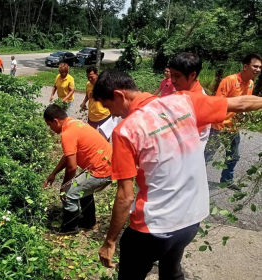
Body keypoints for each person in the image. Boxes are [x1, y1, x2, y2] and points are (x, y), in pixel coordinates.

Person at [92, 69, 262, 280]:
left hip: (154, 228)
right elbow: (242, 103)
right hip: (191, 220)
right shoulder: (184, 102)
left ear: (119, 95)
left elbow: (125, 196)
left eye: (109, 107)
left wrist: (109, 242)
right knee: (171, 272)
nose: (114, 114)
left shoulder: (126, 131)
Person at [42, 104, 112, 233]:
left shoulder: (67, 133)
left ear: (55, 121)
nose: (50, 128)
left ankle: (69, 229)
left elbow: (72, 167)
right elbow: (68, 156)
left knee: (68, 194)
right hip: (107, 166)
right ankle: (89, 222)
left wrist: (65, 185)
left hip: (101, 171)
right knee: (82, 188)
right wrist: (54, 173)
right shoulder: (76, 123)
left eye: (49, 125)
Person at [204, 53, 262, 190]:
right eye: (255, 66)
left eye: (260, 67)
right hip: (219, 126)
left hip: (234, 128)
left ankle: (227, 180)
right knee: (207, 155)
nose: (258, 69)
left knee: (234, 156)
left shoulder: (250, 84)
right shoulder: (229, 80)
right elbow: (218, 103)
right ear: (245, 66)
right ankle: (193, 180)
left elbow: (244, 103)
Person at [169, 52, 211, 147]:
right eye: (171, 75)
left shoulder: (198, 101)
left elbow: (184, 138)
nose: (173, 80)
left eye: (177, 76)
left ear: (192, 75)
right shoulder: (183, 92)